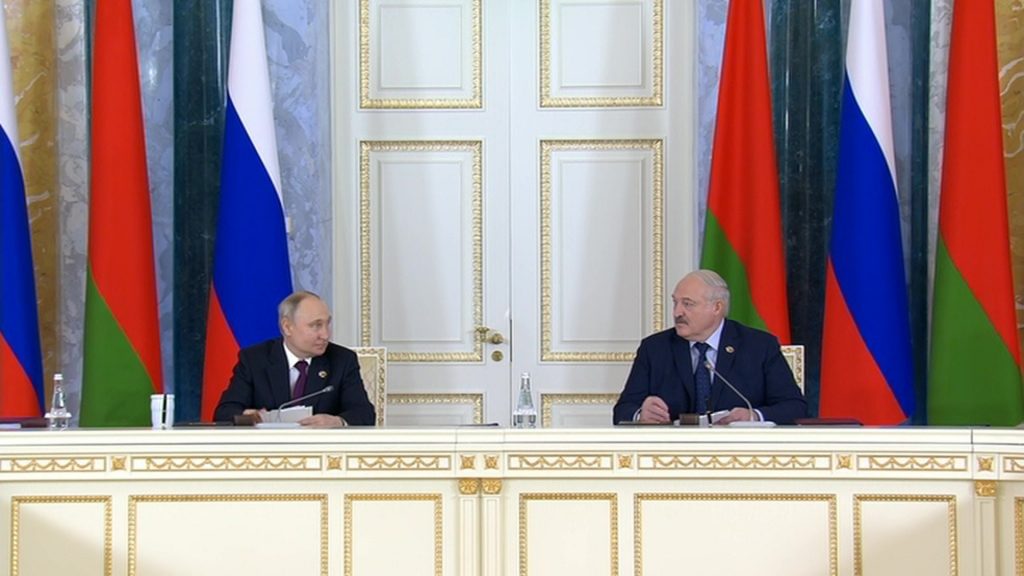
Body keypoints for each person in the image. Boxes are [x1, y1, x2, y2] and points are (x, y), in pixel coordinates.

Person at [613, 270, 806, 425]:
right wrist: (641, 414)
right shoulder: (655, 348)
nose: (677, 312)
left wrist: (753, 416)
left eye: (688, 304)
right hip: (674, 454)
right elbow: (622, 410)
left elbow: (795, 407)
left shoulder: (759, 346)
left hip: (739, 454)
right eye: (675, 302)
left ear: (717, 308)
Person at [214, 291, 376, 426]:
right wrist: (246, 416)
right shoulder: (254, 359)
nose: (325, 335)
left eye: (327, 324)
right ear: (287, 327)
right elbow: (224, 413)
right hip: (268, 450)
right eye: (316, 325)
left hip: (321, 451)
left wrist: (337, 421)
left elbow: (364, 413)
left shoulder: (342, 360)